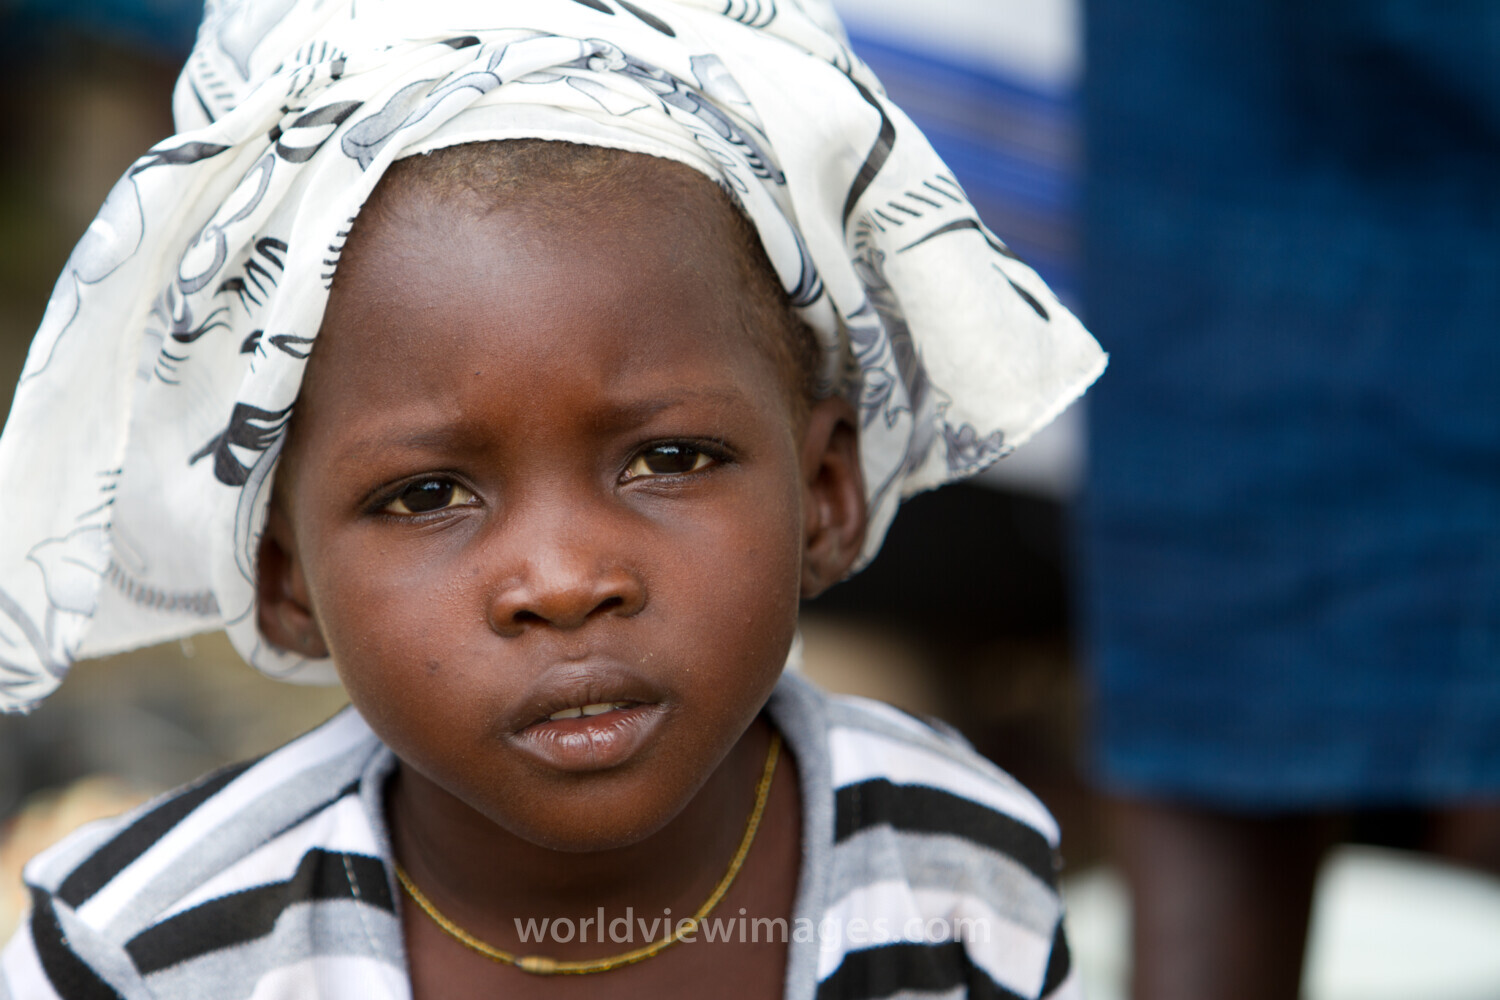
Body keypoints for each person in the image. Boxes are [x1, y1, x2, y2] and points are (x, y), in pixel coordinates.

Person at [0, 1, 1105, 997]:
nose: (568, 580)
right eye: (427, 491)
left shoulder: (964, 870)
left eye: (669, 459)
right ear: (283, 578)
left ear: (825, 492)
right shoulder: (139, 954)